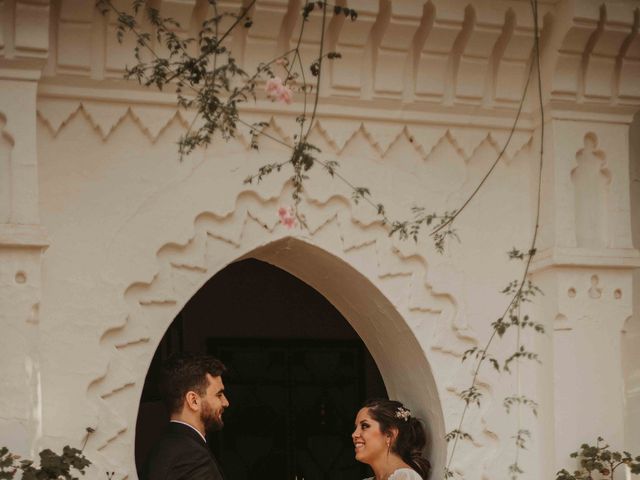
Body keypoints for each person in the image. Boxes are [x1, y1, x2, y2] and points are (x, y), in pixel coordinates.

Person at [141, 353, 230, 480]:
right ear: (193, 400)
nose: (226, 402)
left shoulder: (162, 448)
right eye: (219, 394)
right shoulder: (192, 457)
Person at [352, 399, 431, 480]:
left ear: (389, 435)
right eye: (355, 428)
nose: (354, 434)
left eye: (365, 426)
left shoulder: (405, 478)